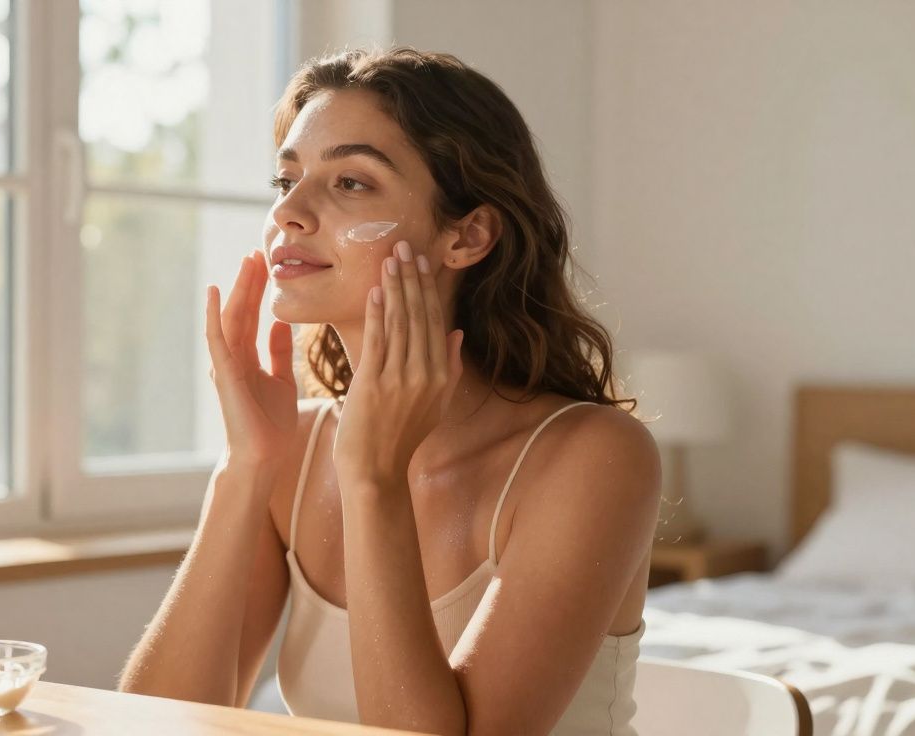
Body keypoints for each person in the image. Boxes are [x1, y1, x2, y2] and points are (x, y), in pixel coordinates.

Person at [118, 45, 661, 736]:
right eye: (286, 180)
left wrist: (374, 480)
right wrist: (245, 467)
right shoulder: (293, 450)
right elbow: (148, 725)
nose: (291, 211)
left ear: (467, 235)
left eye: (350, 183)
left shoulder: (595, 458)